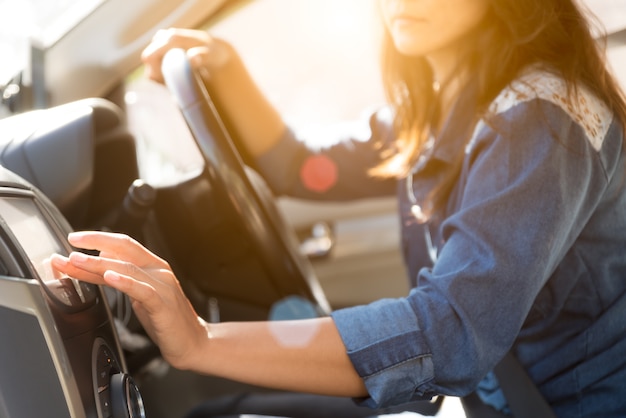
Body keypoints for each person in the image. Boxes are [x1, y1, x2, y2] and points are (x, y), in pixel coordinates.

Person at [51, 0, 626, 416]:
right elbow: (304, 167)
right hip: (487, 397)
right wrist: (227, 70)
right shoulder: (450, 96)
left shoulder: (541, 121)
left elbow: (450, 333)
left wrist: (201, 340)